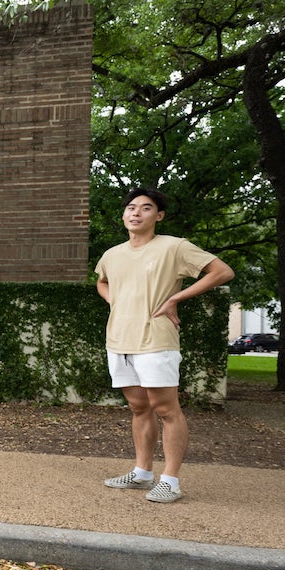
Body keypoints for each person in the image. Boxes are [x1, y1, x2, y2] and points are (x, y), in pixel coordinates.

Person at [94, 188, 234, 503]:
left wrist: (176, 297)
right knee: (138, 407)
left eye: (145, 208)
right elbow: (101, 280)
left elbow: (222, 271)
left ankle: (170, 480)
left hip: (156, 339)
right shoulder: (112, 255)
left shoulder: (174, 247)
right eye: (131, 208)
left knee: (166, 409)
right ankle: (143, 473)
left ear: (159, 216)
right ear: (124, 214)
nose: (136, 213)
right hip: (119, 340)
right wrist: (112, 298)